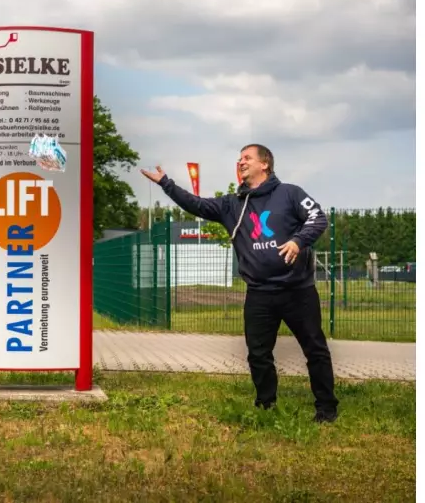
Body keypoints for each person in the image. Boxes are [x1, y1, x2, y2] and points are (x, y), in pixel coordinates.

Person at [141, 144, 339, 423]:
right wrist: (166, 184)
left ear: (265, 164)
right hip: (259, 294)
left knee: (315, 350)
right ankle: (266, 406)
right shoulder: (232, 205)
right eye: (239, 158)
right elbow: (196, 204)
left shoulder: (290, 193)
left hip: (298, 291)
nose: (241, 161)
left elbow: (318, 218)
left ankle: (327, 409)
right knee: (258, 354)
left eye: (247, 158)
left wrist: (298, 241)